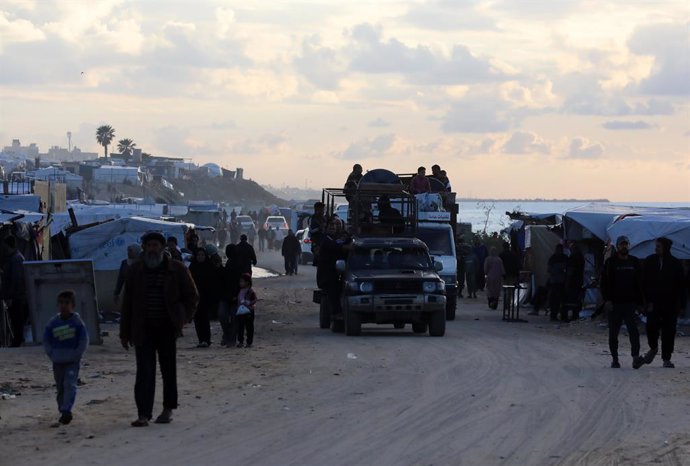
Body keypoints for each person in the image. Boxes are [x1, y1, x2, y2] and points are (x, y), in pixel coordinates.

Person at [120, 231, 199, 427]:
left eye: (156, 245)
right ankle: (143, 414)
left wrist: (183, 318)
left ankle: (168, 409)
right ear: (144, 248)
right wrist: (124, 332)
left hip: (167, 328)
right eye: (149, 245)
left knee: (168, 370)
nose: (153, 249)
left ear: (162, 248)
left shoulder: (177, 269)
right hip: (142, 328)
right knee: (144, 372)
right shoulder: (135, 271)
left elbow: (192, 296)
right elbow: (127, 303)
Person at [43, 290, 89, 426]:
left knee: (69, 384)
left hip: (72, 361)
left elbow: (84, 340)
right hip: (57, 360)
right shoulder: (53, 323)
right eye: (61, 303)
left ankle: (66, 410)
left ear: (72, 305)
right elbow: (46, 340)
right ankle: (62, 408)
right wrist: (51, 353)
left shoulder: (77, 322)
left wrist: (76, 354)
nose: (63, 306)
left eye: (66, 303)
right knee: (60, 387)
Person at [601, 236, 644, 369]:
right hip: (615, 304)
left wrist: (641, 302)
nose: (624, 247)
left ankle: (635, 357)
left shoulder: (634, 262)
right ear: (617, 246)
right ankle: (615, 359)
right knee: (613, 333)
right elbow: (604, 283)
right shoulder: (611, 262)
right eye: (621, 245)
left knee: (633, 332)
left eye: (626, 244)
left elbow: (640, 283)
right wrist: (607, 300)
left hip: (630, 304)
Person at [642, 238, 685, 368]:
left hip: (670, 304)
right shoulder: (650, 261)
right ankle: (653, 348)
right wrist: (645, 301)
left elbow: (681, 286)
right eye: (656, 246)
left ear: (666, 247)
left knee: (669, 332)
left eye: (659, 246)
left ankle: (666, 358)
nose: (656, 248)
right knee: (650, 327)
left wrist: (682, 305)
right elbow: (643, 282)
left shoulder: (675, 264)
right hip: (653, 303)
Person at [1, 236, 27, 347]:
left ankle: (17, 341)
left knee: (17, 319)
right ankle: (17, 340)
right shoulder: (15, 257)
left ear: (8, 245)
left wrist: (11, 296)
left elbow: (16, 280)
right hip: (16, 296)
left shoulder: (16, 259)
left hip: (17, 297)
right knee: (16, 319)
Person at [189, 248, 216, 348]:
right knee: (197, 319)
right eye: (199, 255)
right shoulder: (192, 267)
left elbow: (213, 283)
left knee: (204, 319)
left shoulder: (209, 267)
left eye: (202, 255)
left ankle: (206, 339)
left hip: (206, 297)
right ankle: (201, 339)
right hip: (195, 298)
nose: (200, 257)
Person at [218, 244, 241, 347]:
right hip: (226, 295)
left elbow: (241, 281)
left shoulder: (237, 264)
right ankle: (227, 336)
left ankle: (231, 339)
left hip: (235, 296)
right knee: (224, 317)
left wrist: (237, 294)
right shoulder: (229, 263)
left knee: (232, 318)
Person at [547, 244, 568, 322]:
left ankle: (563, 316)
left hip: (562, 282)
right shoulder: (553, 258)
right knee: (555, 300)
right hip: (555, 282)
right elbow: (549, 269)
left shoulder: (564, 258)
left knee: (562, 300)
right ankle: (554, 315)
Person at [236, 273, 258, 348]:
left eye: (242, 281)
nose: (240, 283)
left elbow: (255, 299)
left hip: (249, 311)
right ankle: (240, 341)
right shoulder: (240, 291)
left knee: (249, 327)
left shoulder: (250, 291)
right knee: (240, 327)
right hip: (241, 311)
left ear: (247, 282)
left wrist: (248, 303)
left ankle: (249, 342)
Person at [565, 243, 585, 321]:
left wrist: (567, 282)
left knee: (571, 300)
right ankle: (574, 316)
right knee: (576, 300)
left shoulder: (573, 258)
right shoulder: (580, 257)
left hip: (573, 282)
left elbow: (570, 271)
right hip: (578, 281)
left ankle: (570, 316)